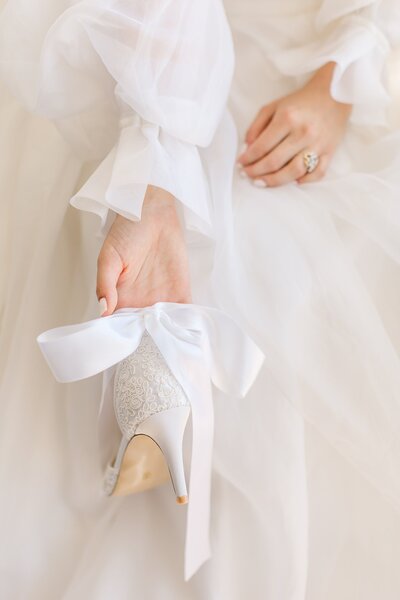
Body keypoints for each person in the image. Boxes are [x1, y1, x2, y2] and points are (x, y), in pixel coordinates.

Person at [1, 1, 400, 598]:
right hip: (176, 57)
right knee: (267, 292)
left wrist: (341, 81)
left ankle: (152, 402)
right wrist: (157, 177)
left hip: (324, 67)